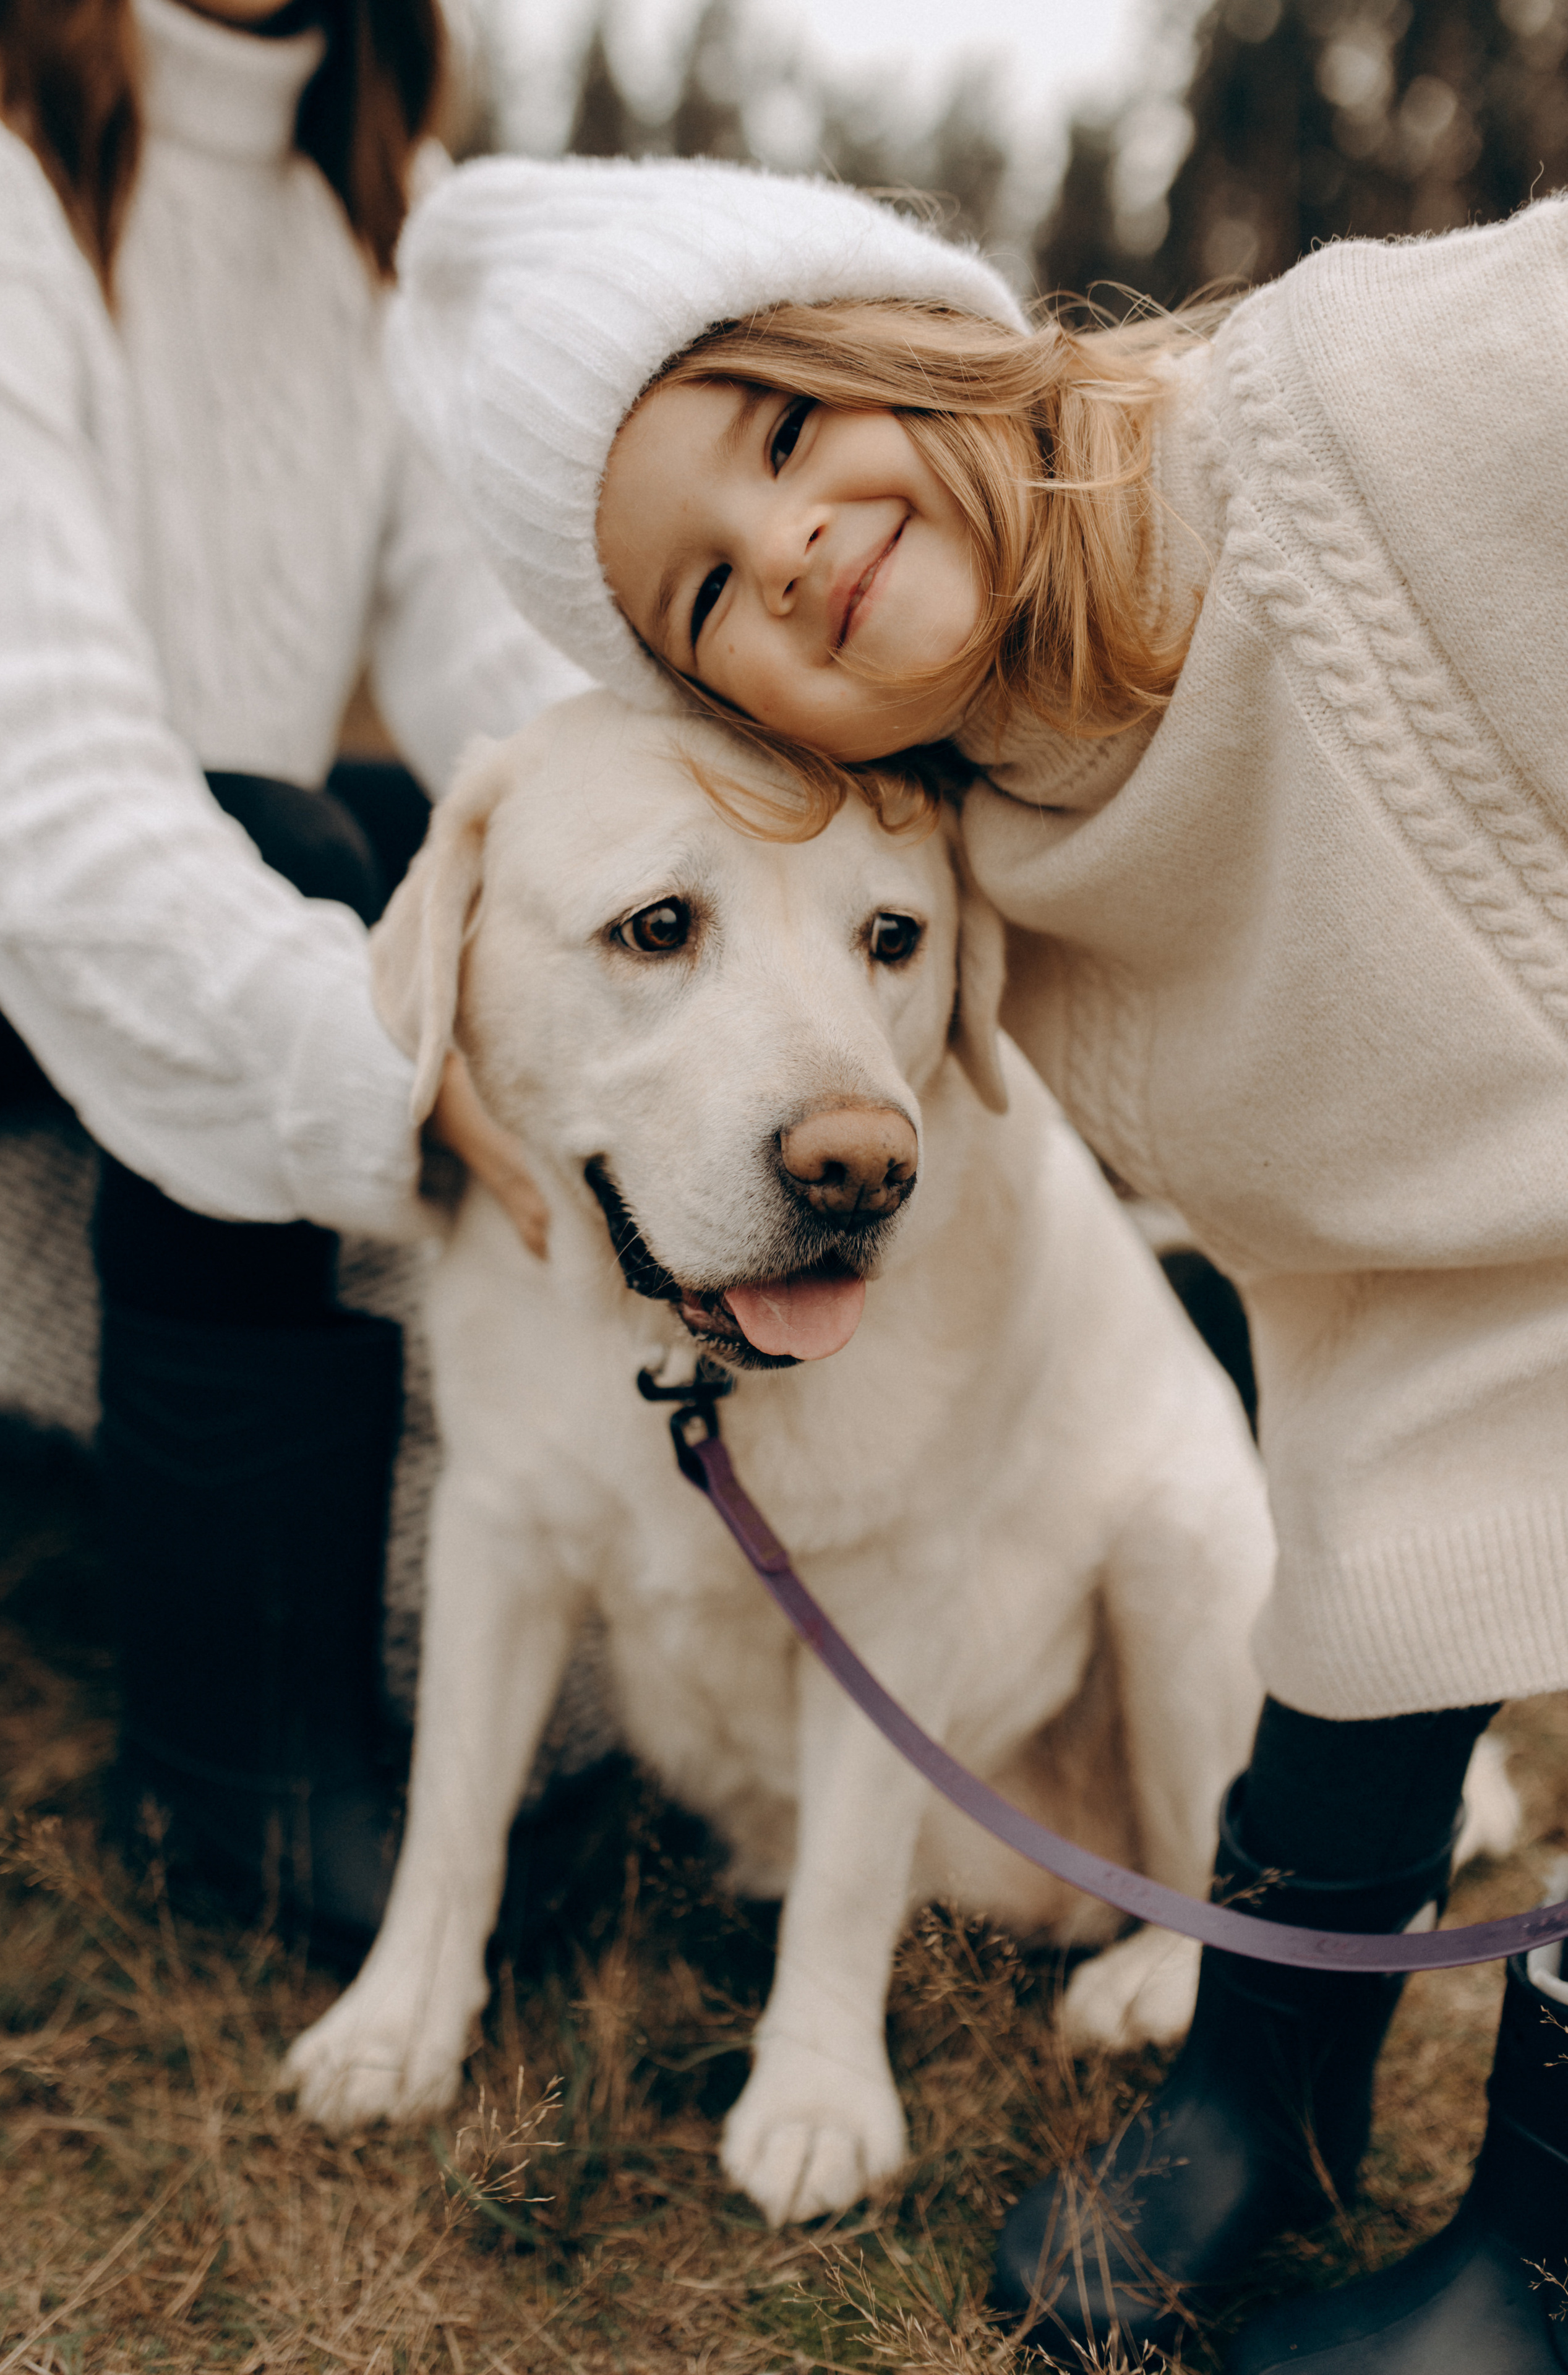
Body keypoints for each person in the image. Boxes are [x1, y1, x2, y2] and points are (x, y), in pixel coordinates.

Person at [377, 155, 1568, 2368]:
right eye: (708, 588)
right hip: (1434, 1354)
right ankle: (1316, 2104)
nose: (797, 540)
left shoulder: (1362, 394)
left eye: (784, 424)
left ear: (917, 336)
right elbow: (1346, 1263)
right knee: (1363, 1541)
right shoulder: (993, 849)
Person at [0, 0, 585, 1964]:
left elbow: (493, 675)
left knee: (410, 826)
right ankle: (241, 1774)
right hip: (30, 864)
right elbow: (46, 781)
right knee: (293, 849)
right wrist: (371, 1044)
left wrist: (708, 874)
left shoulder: (368, 230)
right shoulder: (3, 177)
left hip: (191, 860)